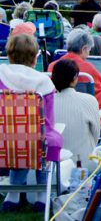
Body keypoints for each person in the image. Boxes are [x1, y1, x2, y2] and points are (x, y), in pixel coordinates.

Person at [0, 34, 63, 212]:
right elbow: (48, 122)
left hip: (4, 142)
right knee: (44, 138)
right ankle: (42, 197)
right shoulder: (44, 83)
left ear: (9, 55)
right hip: (36, 145)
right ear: (35, 58)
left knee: (16, 136)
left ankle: (13, 196)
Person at [49, 28, 101, 107]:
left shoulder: (52, 66)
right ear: (84, 49)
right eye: (89, 50)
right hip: (83, 110)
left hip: (57, 110)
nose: (88, 54)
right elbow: (100, 94)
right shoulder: (88, 69)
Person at [51, 59, 100, 168]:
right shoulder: (89, 100)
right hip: (85, 167)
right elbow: (96, 135)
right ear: (74, 78)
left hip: (54, 169)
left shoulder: (44, 103)